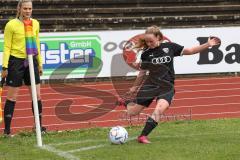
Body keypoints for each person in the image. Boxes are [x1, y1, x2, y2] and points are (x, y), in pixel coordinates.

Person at [121, 25, 221, 144]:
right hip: (150, 85)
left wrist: (207, 44)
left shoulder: (170, 47)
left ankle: (142, 136)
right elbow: (142, 73)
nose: (149, 44)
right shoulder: (146, 54)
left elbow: (190, 51)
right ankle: (126, 103)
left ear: (158, 37)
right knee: (133, 112)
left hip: (166, 86)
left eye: (151, 41)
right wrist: (134, 87)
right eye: (147, 42)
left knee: (159, 110)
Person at [1, 0, 46, 136]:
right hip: (16, 62)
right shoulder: (11, 25)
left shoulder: (35, 23)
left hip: (32, 61)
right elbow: (7, 46)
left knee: (37, 95)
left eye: (30, 8)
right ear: (19, 8)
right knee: (12, 97)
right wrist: (5, 66)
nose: (27, 11)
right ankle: (7, 131)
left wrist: (40, 63)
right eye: (25, 8)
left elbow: (37, 43)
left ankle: (38, 126)